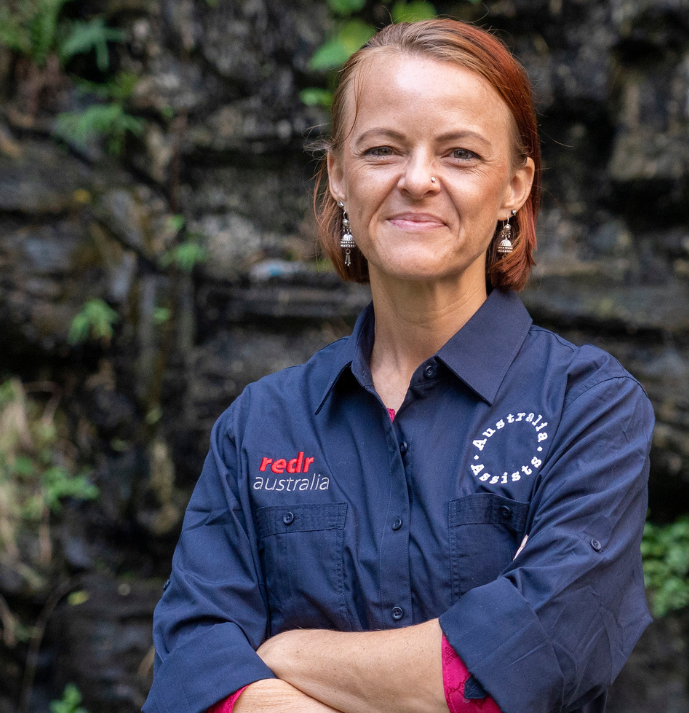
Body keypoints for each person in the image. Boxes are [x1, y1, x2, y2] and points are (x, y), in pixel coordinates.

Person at [143, 18, 654, 713]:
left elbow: (530, 663)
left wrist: (288, 655)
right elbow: (191, 675)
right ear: (338, 175)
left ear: (515, 184)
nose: (417, 180)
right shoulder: (260, 426)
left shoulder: (587, 407)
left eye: (460, 154)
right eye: (382, 149)